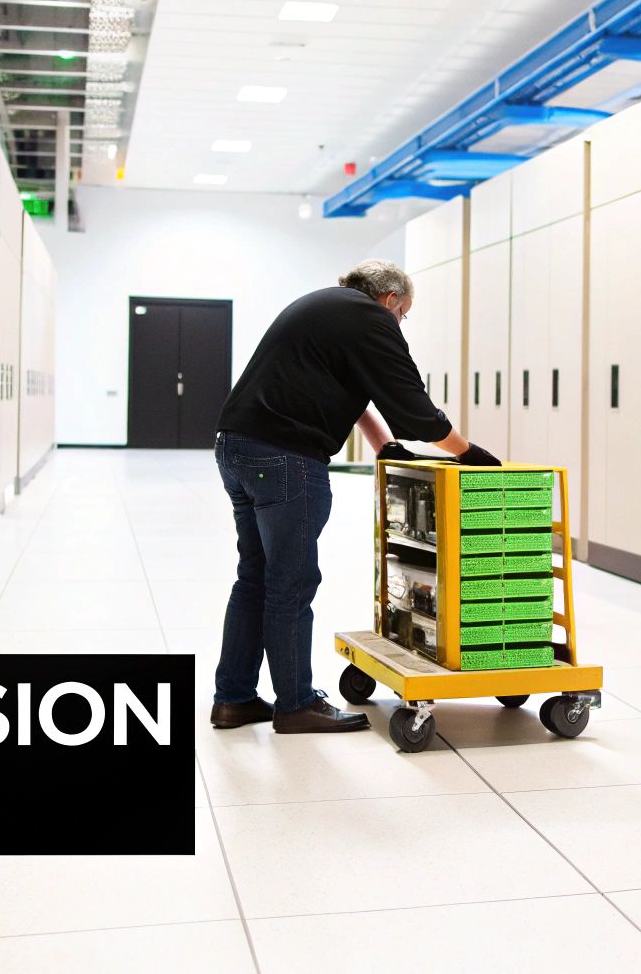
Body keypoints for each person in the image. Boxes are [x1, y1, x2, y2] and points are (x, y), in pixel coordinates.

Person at [210, 260, 501, 734]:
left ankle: (235, 699)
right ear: (390, 300)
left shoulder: (326, 306)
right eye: (403, 314)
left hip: (237, 446)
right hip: (286, 457)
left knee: (256, 577)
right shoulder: (370, 319)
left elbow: (355, 393)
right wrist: (468, 453)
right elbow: (415, 410)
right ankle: (295, 704)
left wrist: (383, 445)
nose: (400, 323)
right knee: (291, 581)